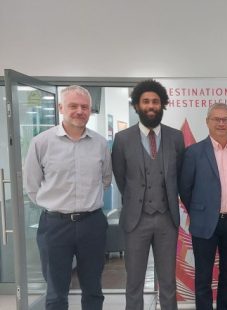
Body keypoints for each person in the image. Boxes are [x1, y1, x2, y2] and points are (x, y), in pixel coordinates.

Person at [24, 85, 112, 310]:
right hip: (55, 226)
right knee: (55, 292)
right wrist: (56, 207)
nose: (80, 111)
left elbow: (105, 179)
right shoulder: (41, 143)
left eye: (85, 107)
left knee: (93, 289)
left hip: (92, 224)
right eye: (73, 106)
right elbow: (32, 187)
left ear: (90, 110)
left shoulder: (100, 143)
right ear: (61, 107)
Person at [111, 79, 184, 310]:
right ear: (136, 106)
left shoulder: (176, 137)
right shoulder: (122, 140)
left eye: (155, 101)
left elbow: (179, 176)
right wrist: (136, 201)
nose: (151, 105)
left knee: (168, 282)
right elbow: (121, 178)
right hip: (136, 220)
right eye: (146, 101)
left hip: (167, 220)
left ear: (162, 105)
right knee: (134, 282)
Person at [179, 103, 227, 310]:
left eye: (225, 119)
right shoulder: (193, 152)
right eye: (216, 119)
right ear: (207, 122)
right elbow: (185, 188)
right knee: (203, 276)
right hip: (204, 223)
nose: (221, 123)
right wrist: (199, 212)